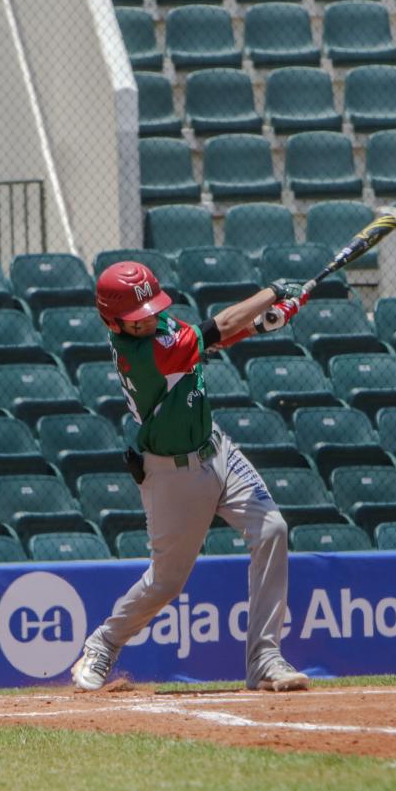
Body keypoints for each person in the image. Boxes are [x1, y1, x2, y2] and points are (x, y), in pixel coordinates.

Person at [72, 261, 313, 694]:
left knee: (273, 528)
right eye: (137, 314)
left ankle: (265, 659)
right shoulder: (139, 353)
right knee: (166, 583)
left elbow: (210, 341)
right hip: (171, 473)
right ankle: (104, 643)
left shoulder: (155, 324)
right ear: (113, 320)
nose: (148, 316)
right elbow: (217, 327)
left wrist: (264, 322)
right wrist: (274, 291)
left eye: (150, 307)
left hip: (217, 449)